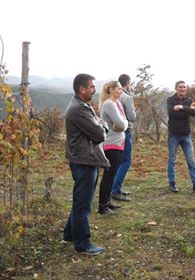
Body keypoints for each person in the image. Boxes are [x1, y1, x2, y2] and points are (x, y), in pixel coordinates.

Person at [63, 73, 109, 255]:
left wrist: (99, 123)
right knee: (83, 203)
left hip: (83, 158)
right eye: (91, 87)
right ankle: (83, 244)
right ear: (82, 89)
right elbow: (99, 134)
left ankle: (69, 234)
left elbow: (97, 126)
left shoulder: (82, 106)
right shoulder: (79, 110)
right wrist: (103, 124)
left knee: (80, 199)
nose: (95, 89)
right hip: (84, 160)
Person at [167, 80, 195, 192]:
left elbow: (194, 113)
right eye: (180, 87)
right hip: (173, 135)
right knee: (172, 160)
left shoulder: (189, 100)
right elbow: (171, 113)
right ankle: (172, 183)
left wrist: (181, 108)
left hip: (186, 135)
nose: (182, 89)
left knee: (191, 161)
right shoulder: (170, 100)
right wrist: (186, 110)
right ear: (176, 88)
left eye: (184, 87)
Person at [98, 80, 128, 214]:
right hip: (111, 144)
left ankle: (107, 201)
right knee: (109, 175)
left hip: (118, 142)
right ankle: (103, 206)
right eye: (119, 89)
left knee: (112, 174)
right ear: (111, 90)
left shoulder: (117, 103)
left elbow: (123, 123)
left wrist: (123, 124)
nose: (121, 91)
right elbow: (121, 124)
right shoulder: (109, 104)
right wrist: (123, 124)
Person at [111, 74, 136, 202]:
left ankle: (115, 188)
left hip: (113, 133)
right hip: (125, 131)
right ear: (127, 83)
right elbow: (132, 117)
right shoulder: (126, 98)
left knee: (117, 161)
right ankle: (115, 190)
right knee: (126, 161)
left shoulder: (112, 98)